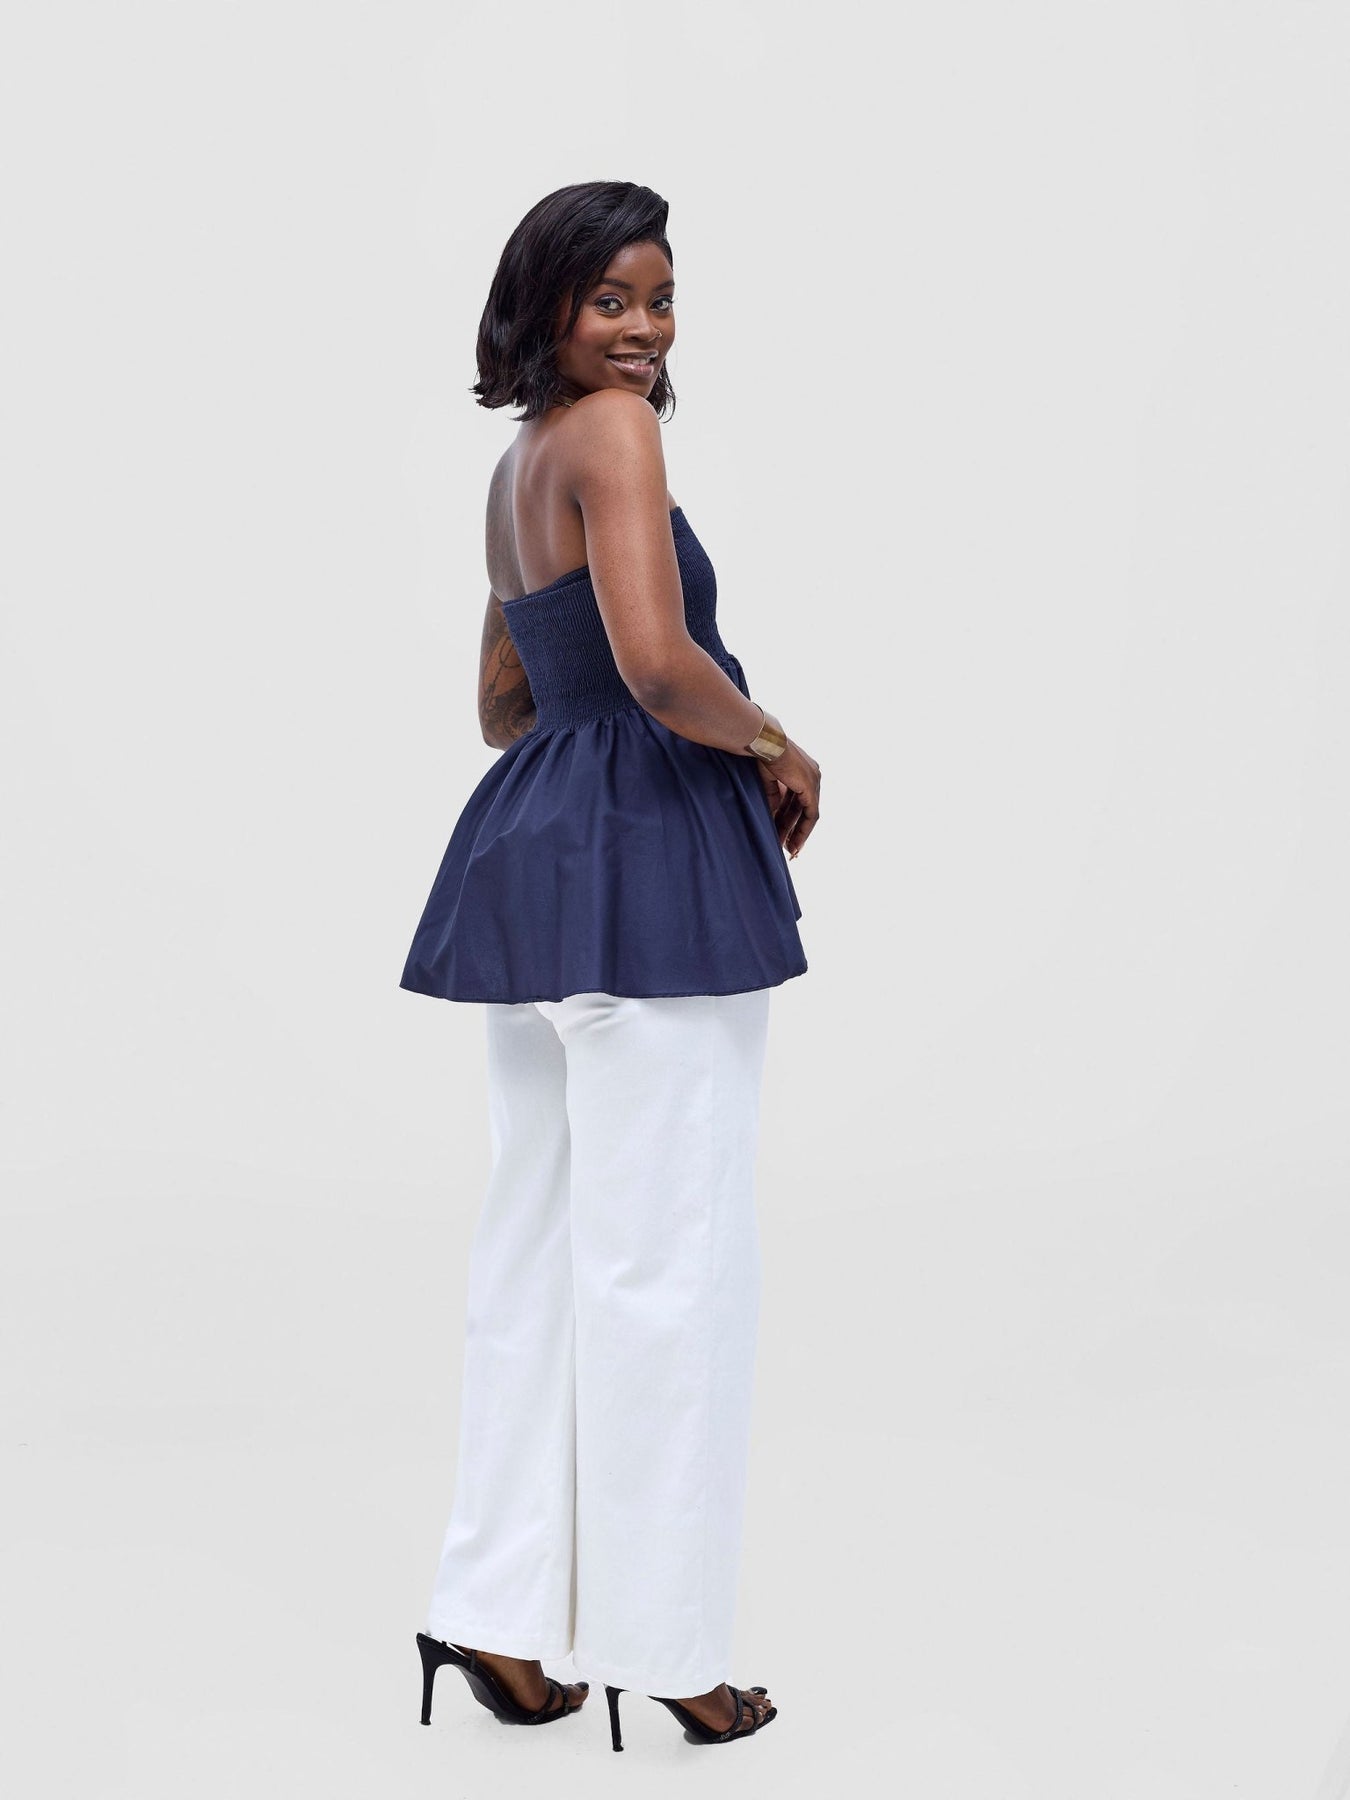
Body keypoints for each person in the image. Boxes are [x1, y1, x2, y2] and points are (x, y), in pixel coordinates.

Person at [401, 180, 820, 1753]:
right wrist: (774, 744)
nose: (644, 330)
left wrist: (602, 706)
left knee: (535, 1257)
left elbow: (503, 705)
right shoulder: (617, 437)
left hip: (534, 865)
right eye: (612, 301)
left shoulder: (518, 464)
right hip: (649, 871)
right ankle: (669, 1649)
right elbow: (654, 664)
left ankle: (495, 1615)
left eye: (660, 299)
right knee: (670, 1265)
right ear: (549, 306)